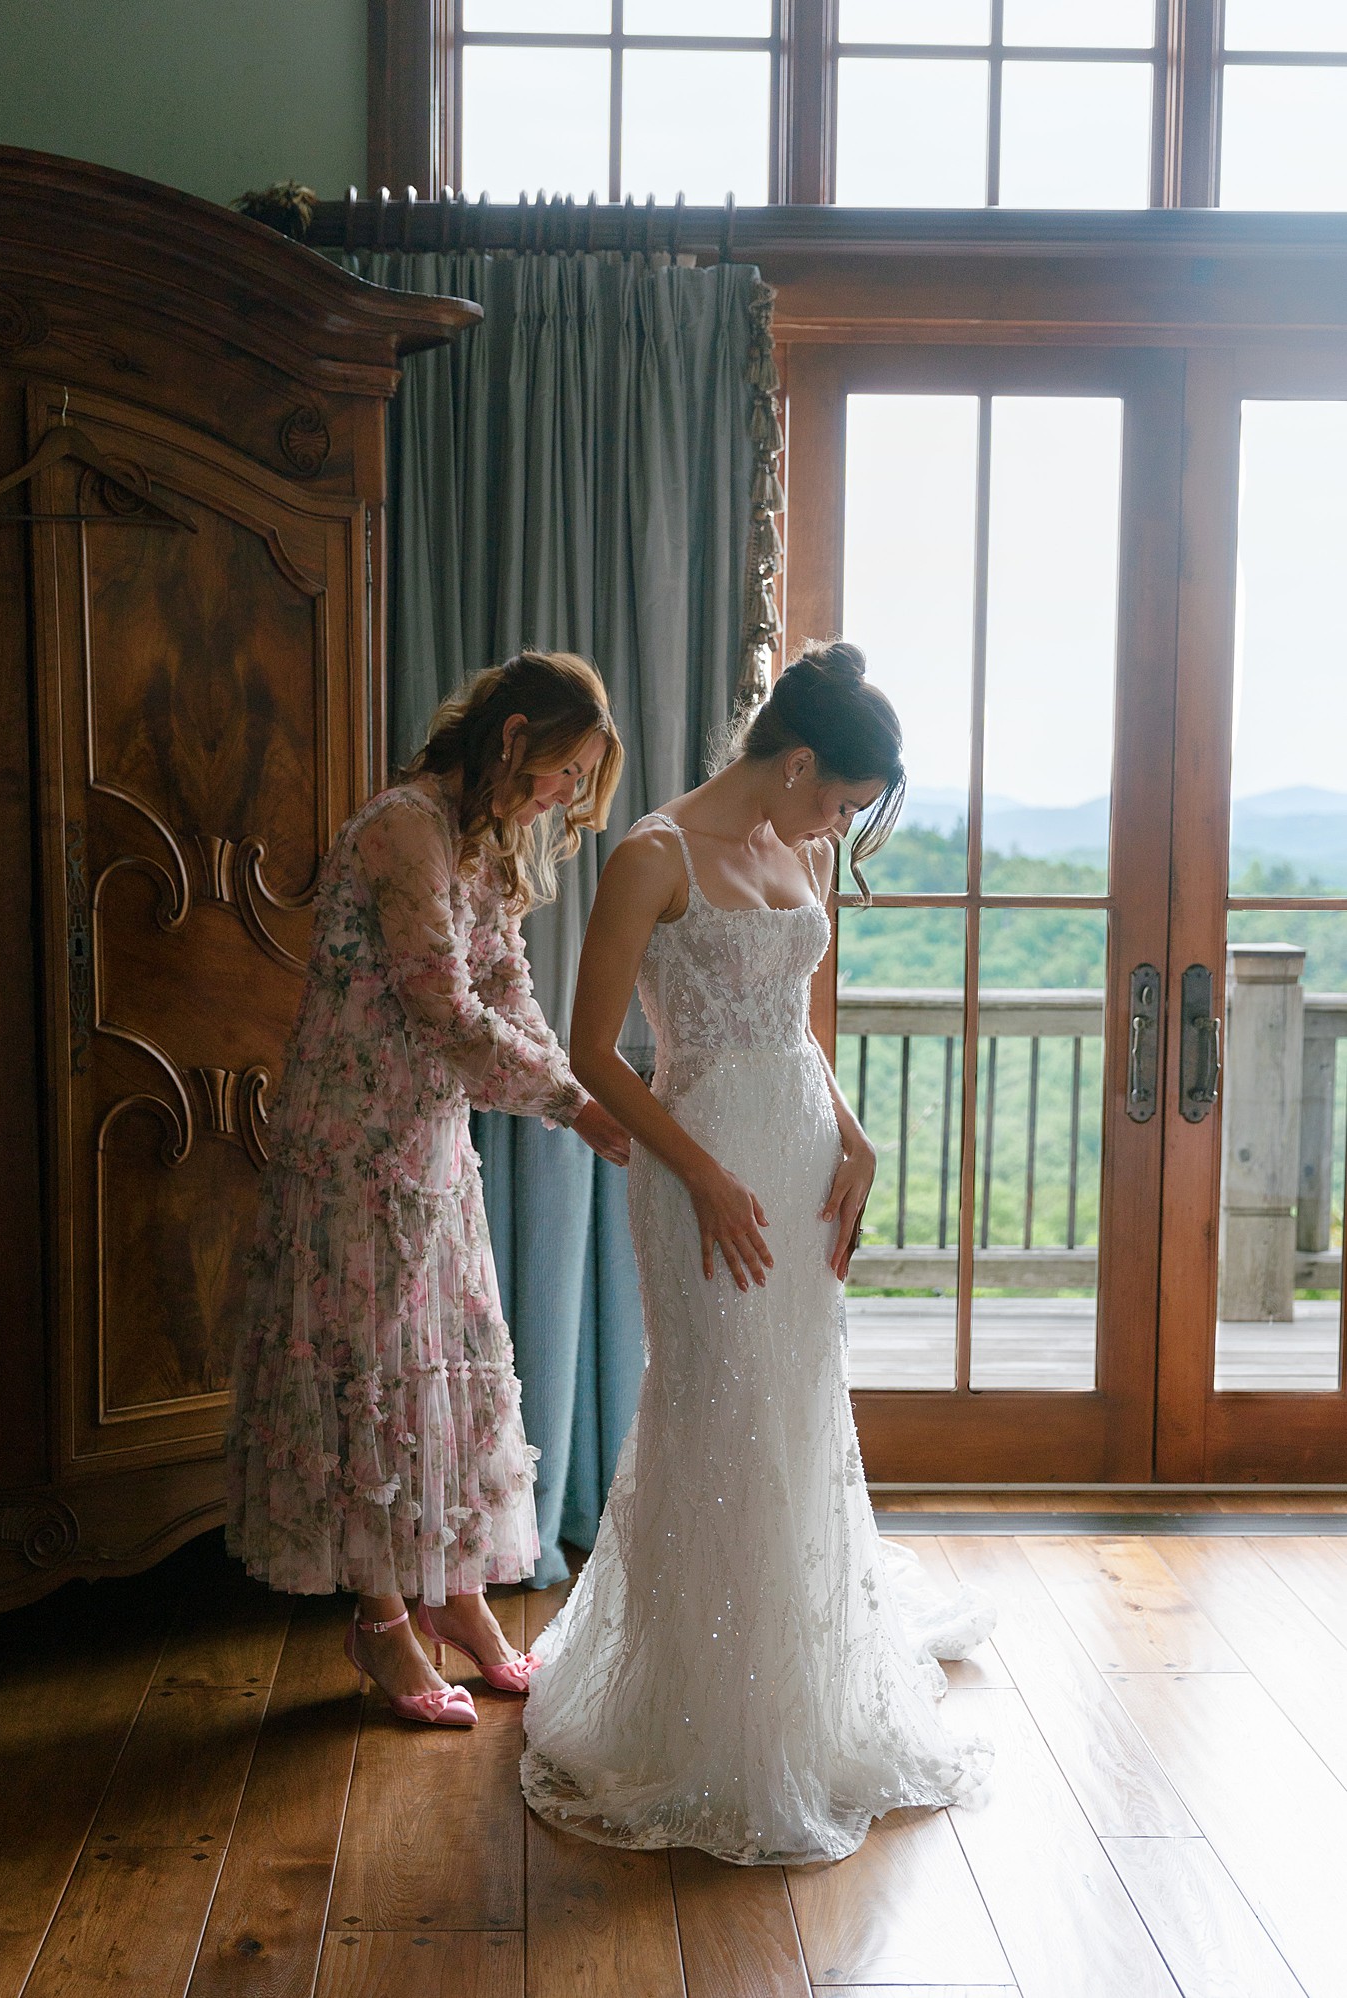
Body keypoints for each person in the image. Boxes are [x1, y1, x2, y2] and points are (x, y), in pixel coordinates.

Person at [520, 640, 994, 1861]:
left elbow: (788, 1025)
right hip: (703, 1174)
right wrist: (704, 1177)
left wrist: (852, 1129)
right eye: (837, 799)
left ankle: (799, 1666)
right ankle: (703, 1707)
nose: (837, 826)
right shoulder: (651, 857)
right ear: (793, 763)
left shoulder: (791, 847)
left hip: (792, 1153)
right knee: (715, 1408)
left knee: (789, 1406)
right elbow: (593, 1053)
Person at [227, 651, 630, 1728]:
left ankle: (457, 1596)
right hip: (351, 1147)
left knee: (441, 1370)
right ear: (513, 741)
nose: (561, 798)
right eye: (562, 772)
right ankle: (381, 1619)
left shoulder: (482, 847)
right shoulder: (404, 829)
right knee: (371, 1371)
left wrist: (577, 1084)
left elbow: (510, 993)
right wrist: (572, 1108)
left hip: (430, 1145)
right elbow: (444, 1013)